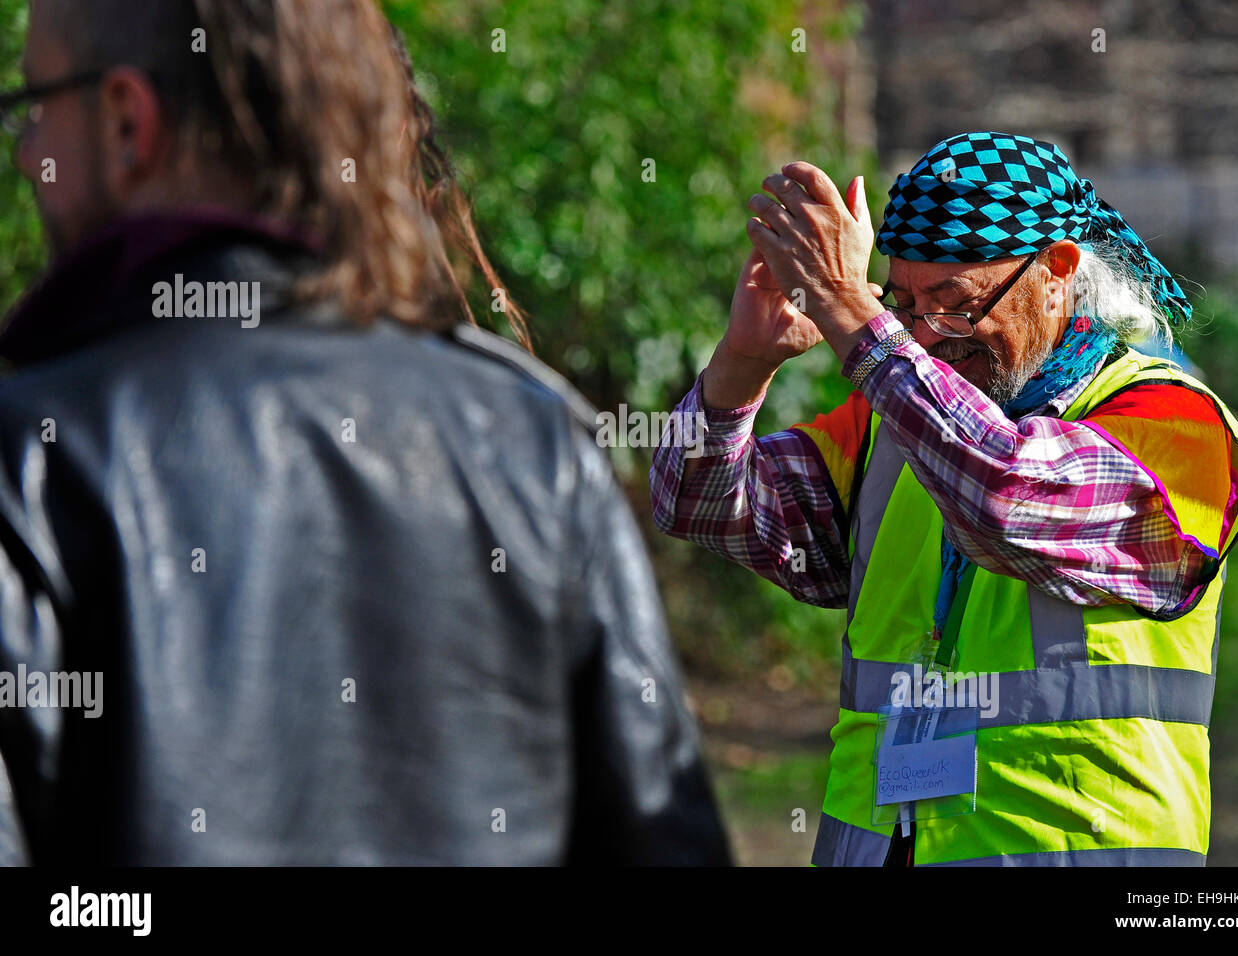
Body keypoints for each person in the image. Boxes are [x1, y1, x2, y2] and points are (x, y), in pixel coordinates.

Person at [0, 0, 729, 865]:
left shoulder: (30, 452)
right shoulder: (533, 440)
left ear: (127, 120)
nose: (25, 151)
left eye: (35, 104)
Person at [651, 132, 1238, 866]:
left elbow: (1007, 500)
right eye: (905, 305)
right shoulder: (901, 419)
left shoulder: (1175, 423)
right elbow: (695, 501)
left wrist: (854, 315)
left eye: (954, 305)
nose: (926, 339)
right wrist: (742, 364)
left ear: (1056, 272)